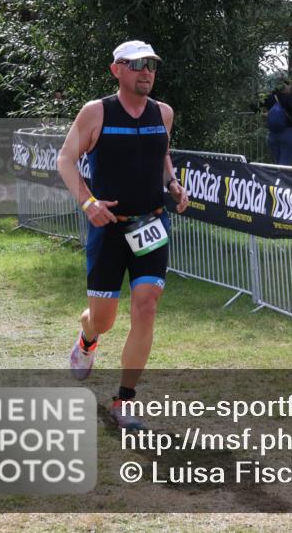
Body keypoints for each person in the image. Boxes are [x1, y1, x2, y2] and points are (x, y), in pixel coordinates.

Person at [58, 40, 189, 430]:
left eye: (151, 64)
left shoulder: (163, 113)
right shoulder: (96, 112)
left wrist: (173, 183)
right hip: (109, 229)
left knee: (146, 306)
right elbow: (65, 159)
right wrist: (87, 202)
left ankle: (124, 400)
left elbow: (162, 155)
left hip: (151, 223)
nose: (146, 71)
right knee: (103, 320)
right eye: (136, 64)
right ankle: (88, 338)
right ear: (116, 69)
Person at [263, 75, 292, 165]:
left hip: (272, 135)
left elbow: (253, 106)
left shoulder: (269, 97)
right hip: (288, 133)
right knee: (285, 164)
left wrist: (264, 114)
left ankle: (277, 175)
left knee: (277, 164)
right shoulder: (289, 97)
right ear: (286, 85)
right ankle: (282, 175)